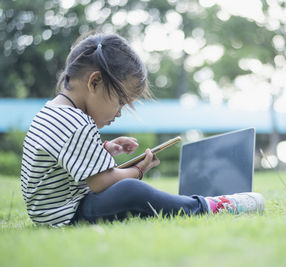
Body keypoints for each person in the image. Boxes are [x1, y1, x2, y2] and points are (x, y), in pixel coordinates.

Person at [20, 33, 265, 227]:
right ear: (94, 82)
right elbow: (102, 183)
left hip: (47, 213)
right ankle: (209, 206)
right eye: (120, 102)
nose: (118, 113)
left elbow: (64, 162)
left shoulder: (52, 112)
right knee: (131, 190)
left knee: (128, 190)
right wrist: (138, 170)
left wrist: (105, 149)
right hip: (68, 214)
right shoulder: (76, 123)